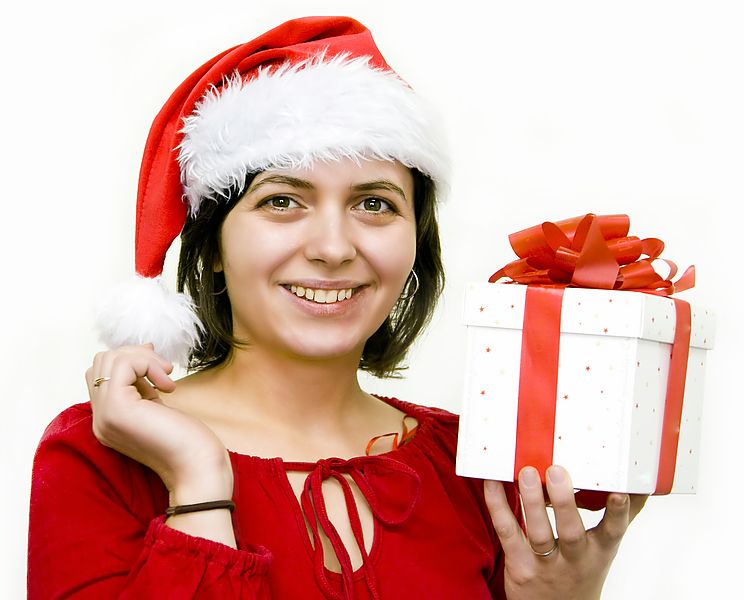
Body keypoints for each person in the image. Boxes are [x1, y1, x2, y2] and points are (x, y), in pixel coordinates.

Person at [27, 16, 645, 599]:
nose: (332, 247)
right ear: (213, 244)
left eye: (374, 204)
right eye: (282, 201)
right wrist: (197, 485)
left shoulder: (477, 467)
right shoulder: (104, 455)